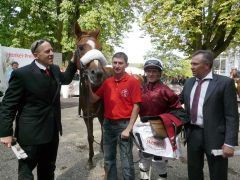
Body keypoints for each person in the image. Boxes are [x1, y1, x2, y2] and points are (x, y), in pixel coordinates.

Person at [0, 39, 77, 180]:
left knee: (48, 170)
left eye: (52, 50)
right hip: (30, 135)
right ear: (36, 55)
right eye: (47, 51)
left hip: (52, 133)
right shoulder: (22, 74)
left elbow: (65, 79)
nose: (52, 53)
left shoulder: (54, 69)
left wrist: (74, 60)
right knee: (26, 173)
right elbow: (8, 105)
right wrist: (5, 133)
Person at [180, 50, 239, 180]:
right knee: (194, 171)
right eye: (191, 63)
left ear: (206, 65)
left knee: (218, 173)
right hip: (193, 133)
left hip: (216, 136)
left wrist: (230, 143)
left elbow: (232, 115)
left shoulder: (225, 83)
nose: (191, 66)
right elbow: (177, 103)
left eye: (195, 64)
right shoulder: (189, 82)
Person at [89, 52, 142, 180]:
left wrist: (129, 128)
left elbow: (137, 105)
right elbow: (93, 99)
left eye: (120, 63)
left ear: (126, 65)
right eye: (115, 63)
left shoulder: (133, 82)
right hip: (108, 125)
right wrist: (88, 85)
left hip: (124, 125)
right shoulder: (107, 82)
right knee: (108, 159)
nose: (117, 66)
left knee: (126, 160)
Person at [138, 58, 186, 180]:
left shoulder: (166, 91)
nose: (151, 74)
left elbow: (178, 110)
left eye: (154, 71)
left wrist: (165, 121)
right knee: (144, 158)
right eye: (148, 71)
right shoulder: (140, 89)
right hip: (144, 130)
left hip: (160, 130)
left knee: (159, 160)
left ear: (160, 73)